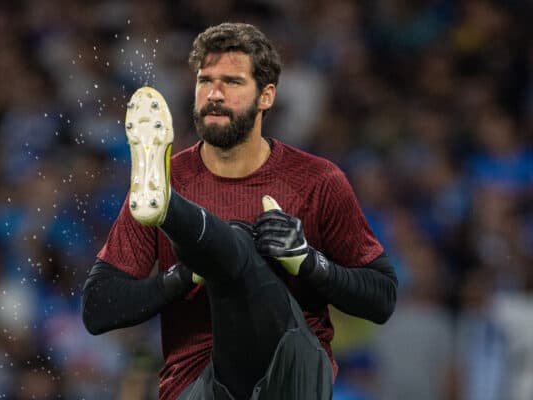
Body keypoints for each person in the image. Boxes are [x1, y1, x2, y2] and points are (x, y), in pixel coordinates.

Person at [81, 22, 397, 400]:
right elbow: (97, 309)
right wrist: (183, 277)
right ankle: (189, 226)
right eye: (205, 80)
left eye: (231, 82)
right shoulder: (164, 180)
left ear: (266, 96)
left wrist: (307, 261)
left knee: (239, 248)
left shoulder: (317, 180)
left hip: (291, 377)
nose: (213, 93)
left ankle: (176, 215)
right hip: (199, 386)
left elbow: (382, 298)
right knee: (234, 250)